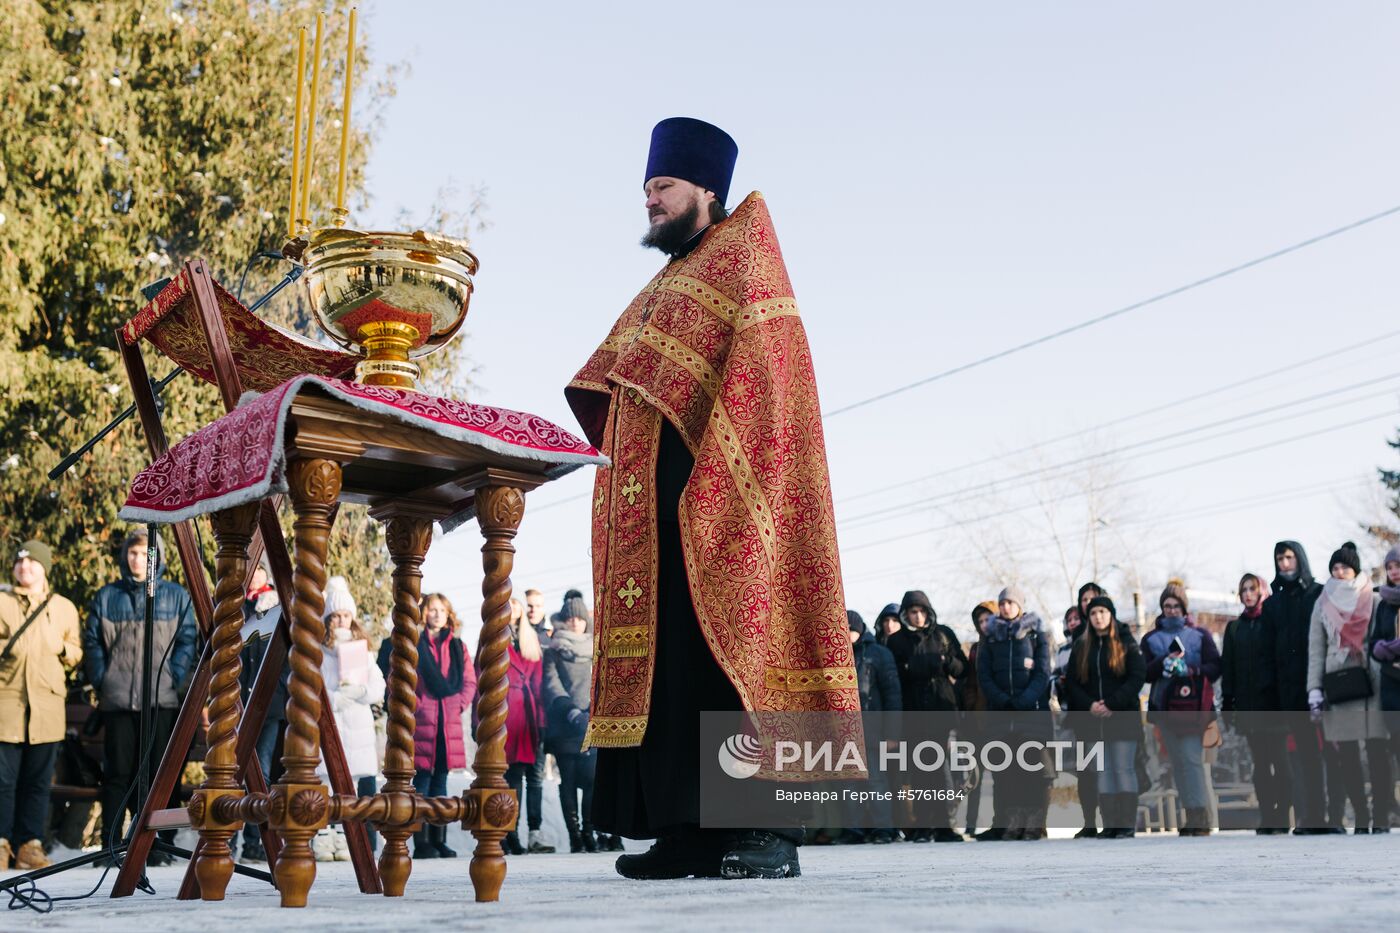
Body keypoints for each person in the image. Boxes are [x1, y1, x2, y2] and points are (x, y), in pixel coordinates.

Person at [567, 117, 859, 881]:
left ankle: (765, 829)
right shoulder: (664, 283)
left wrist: (722, 489)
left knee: (728, 659)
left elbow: (767, 384)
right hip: (656, 522)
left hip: (724, 500)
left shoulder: (743, 254)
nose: (650, 202)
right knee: (674, 671)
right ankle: (686, 827)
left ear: (707, 189)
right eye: (646, 190)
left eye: (661, 188)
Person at [82, 528, 195, 866]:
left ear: (157, 557)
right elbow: (92, 642)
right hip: (119, 700)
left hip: (160, 700)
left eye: (145, 553)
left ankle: (157, 843)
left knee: (159, 773)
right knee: (116, 773)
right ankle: (111, 843)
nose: (137, 559)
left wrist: (174, 676)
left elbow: (188, 639)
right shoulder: (107, 596)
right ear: (125, 556)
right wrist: (103, 680)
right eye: (132, 553)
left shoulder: (175, 596)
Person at [0, 540, 81, 870]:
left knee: (36, 782)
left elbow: (76, 652)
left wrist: (60, 647)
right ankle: (1, 842)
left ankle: (29, 845)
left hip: (46, 706)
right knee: (2, 781)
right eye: (20, 562)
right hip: (7, 702)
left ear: (44, 567)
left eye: (32, 562)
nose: (25, 568)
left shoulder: (63, 607)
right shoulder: (2, 601)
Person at [1307, 543, 1388, 833]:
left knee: (1378, 752)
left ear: (1356, 569)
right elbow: (1315, 649)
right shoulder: (1322, 603)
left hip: (1372, 682)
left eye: (1345, 567)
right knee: (1348, 756)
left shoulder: (1375, 599)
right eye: (1335, 568)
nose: (1339, 573)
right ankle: (1362, 817)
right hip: (1340, 683)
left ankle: (1380, 817)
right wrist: (1314, 689)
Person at [311, 577, 385, 862]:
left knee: (350, 786)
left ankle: (345, 836)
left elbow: (378, 687)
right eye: (337, 615)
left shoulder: (363, 651)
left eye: (346, 615)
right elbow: (311, 685)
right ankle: (324, 834)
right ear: (328, 618)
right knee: (327, 783)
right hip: (331, 724)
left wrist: (359, 691)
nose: (341, 621)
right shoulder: (320, 652)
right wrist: (332, 699)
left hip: (357, 727)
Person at [885, 589, 966, 841]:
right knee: (918, 770)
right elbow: (897, 676)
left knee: (941, 769)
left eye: (921, 611)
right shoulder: (897, 640)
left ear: (928, 612)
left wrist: (944, 660)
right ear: (906, 614)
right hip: (913, 709)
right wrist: (919, 667)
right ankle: (922, 825)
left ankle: (944, 825)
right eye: (913, 612)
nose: (918, 617)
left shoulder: (943, 634)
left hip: (941, 708)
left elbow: (961, 667)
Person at [1141, 581, 1220, 837]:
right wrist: (1162, 662)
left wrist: (1191, 670)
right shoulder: (1151, 639)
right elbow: (1143, 672)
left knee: (1192, 760)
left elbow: (1215, 667)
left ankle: (1201, 815)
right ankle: (1190, 813)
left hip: (1193, 708)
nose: (1172, 610)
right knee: (1178, 762)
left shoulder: (1200, 635)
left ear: (1184, 608)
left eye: (1176, 606)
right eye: (1167, 606)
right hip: (1165, 708)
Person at [1265, 540, 1331, 833]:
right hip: (1289, 692)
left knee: (1330, 755)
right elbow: (1269, 651)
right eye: (1280, 558)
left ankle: (1332, 816)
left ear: (1299, 559)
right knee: (1302, 757)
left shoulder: (1318, 594)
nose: (1284, 563)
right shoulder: (1273, 603)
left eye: (1289, 557)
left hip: (1321, 686)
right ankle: (1309, 817)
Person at [1065, 596, 1145, 838]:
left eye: (1102, 611)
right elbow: (1072, 682)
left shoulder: (1125, 641)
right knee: (1103, 771)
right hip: (1093, 720)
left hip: (1122, 718)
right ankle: (1109, 823)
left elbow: (1137, 676)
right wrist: (1090, 705)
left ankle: (1126, 823)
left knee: (1122, 768)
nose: (1098, 617)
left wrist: (1112, 703)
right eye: (1093, 613)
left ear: (1111, 614)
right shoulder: (1081, 646)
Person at [976, 586, 1052, 841]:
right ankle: (1012, 821)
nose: (1006, 607)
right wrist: (1001, 699)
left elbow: (1042, 672)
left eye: (1011, 602)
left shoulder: (1036, 634)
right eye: (1003, 603)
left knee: (1031, 769)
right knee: (1007, 772)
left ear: (1020, 605)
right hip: (1000, 714)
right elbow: (984, 674)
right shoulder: (991, 636)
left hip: (1030, 713)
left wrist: (1025, 699)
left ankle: (1033, 822)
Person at [1221, 571, 1291, 833]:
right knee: (1260, 764)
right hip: (1249, 708)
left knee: (1281, 763)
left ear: (1262, 590)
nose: (1248, 594)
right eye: (1243, 590)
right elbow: (1228, 667)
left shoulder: (1272, 622)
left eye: (1252, 589)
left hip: (1275, 705)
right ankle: (1267, 817)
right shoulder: (1234, 628)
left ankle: (1283, 816)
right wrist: (1228, 703)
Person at [543, 594, 612, 852]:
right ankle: (575, 836)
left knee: (592, 780)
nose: (574, 622)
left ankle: (589, 830)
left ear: (586, 621)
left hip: (590, 723)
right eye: (570, 617)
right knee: (569, 781)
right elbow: (551, 683)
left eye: (579, 618)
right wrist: (570, 710)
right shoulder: (555, 650)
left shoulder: (597, 648)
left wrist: (592, 712)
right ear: (563, 620)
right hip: (564, 724)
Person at [413, 592, 475, 858]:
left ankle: (439, 840)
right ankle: (422, 843)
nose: (436, 613)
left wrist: (457, 705)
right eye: (431, 609)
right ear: (424, 613)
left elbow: (470, 682)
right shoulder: (415, 644)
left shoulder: (458, 646)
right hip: (423, 721)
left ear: (448, 613)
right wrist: (418, 706)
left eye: (441, 609)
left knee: (440, 783)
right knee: (421, 784)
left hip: (447, 722)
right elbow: (403, 678)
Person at [494, 598, 552, 855]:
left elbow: (540, 686)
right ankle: (508, 832)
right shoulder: (495, 638)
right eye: (510, 606)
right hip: (506, 715)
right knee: (510, 778)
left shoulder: (532, 642)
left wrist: (541, 722)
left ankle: (525, 833)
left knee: (530, 778)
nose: (514, 611)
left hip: (529, 717)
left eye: (517, 606)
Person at [237, 558, 286, 863]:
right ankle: (227, 837)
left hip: (269, 701)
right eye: (249, 572)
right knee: (232, 770)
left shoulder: (277, 607)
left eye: (258, 570)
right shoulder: (235, 608)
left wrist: (278, 685)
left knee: (262, 770)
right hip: (237, 701)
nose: (253, 577)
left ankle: (256, 840)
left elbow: (287, 654)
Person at [843, 611, 901, 844]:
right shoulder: (835, 655)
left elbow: (892, 695)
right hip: (845, 731)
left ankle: (883, 829)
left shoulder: (879, 653)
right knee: (849, 782)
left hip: (873, 727)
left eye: (850, 629)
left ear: (859, 629)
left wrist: (892, 733)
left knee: (876, 780)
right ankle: (854, 830)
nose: (846, 634)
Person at [1053, 603, 1100, 837]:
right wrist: (1060, 684)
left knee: (1101, 767)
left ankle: (1110, 818)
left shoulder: (1092, 645)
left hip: (1096, 712)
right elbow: (1056, 680)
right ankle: (1089, 820)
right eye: (1068, 619)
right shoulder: (1062, 651)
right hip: (1073, 713)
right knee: (1084, 771)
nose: (1072, 622)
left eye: (1075, 618)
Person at [1367, 544, 1400, 833]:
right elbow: (1375, 643)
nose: (1394, 572)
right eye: (1390, 568)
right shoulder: (1384, 605)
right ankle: (1387, 811)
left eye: (1398, 566)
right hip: (1392, 685)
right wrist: (1383, 647)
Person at [962, 601, 996, 838]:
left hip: (1001, 718)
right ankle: (971, 824)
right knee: (974, 776)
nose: (984, 625)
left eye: (988, 619)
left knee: (1004, 774)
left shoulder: (1004, 644)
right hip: (977, 720)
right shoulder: (976, 648)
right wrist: (971, 708)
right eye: (980, 621)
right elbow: (970, 682)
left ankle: (1000, 822)